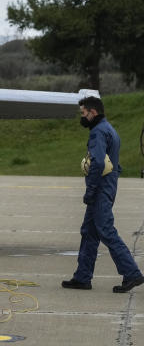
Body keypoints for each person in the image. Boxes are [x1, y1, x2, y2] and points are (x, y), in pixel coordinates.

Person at [61, 95, 144, 293]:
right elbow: (116, 164)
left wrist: (91, 190)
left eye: (84, 113)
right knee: (89, 232)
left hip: (100, 190)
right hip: (107, 187)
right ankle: (82, 278)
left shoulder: (98, 132)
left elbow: (98, 163)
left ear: (93, 112)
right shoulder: (110, 129)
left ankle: (132, 273)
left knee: (106, 230)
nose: (82, 117)